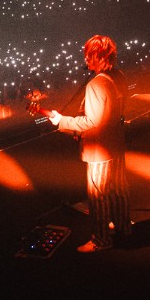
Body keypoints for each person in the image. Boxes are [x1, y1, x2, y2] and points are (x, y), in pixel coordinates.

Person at [35, 35, 131, 253]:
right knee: (118, 189)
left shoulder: (96, 84)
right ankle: (124, 227)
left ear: (98, 56)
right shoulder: (119, 76)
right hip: (117, 143)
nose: (85, 59)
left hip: (99, 150)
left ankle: (101, 240)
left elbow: (91, 121)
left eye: (89, 55)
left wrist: (62, 121)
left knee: (98, 196)